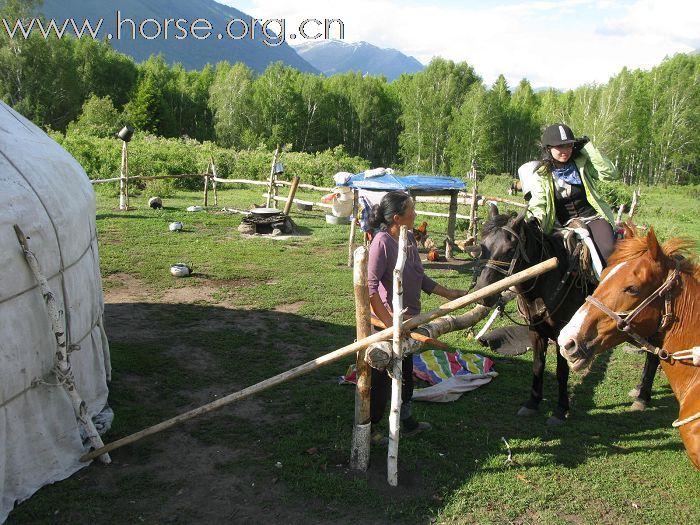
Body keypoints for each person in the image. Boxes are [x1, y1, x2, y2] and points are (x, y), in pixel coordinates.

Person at [366, 191, 466, 443]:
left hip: (409, 321)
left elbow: (419, 277)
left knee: (406, 371)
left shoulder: (408, 237)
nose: (416, 212)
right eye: (412, 208)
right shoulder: (381, 242)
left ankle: (405, 419)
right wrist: (390, 326)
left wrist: (448, 293)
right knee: (379, 376)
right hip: (385, 323)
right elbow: (370, 288)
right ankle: (370, 426)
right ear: (398, 217)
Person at [519, 123, 619, 264]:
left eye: (569, 145)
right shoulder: (541, 174)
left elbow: (610, 173)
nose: (565, 150)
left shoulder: (581, 164)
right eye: (560, 147)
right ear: (548, 148)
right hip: (561, 224)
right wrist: (534, 220)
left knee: (608, 250)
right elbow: (539, 201)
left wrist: (588, 148)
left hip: (592, 218)